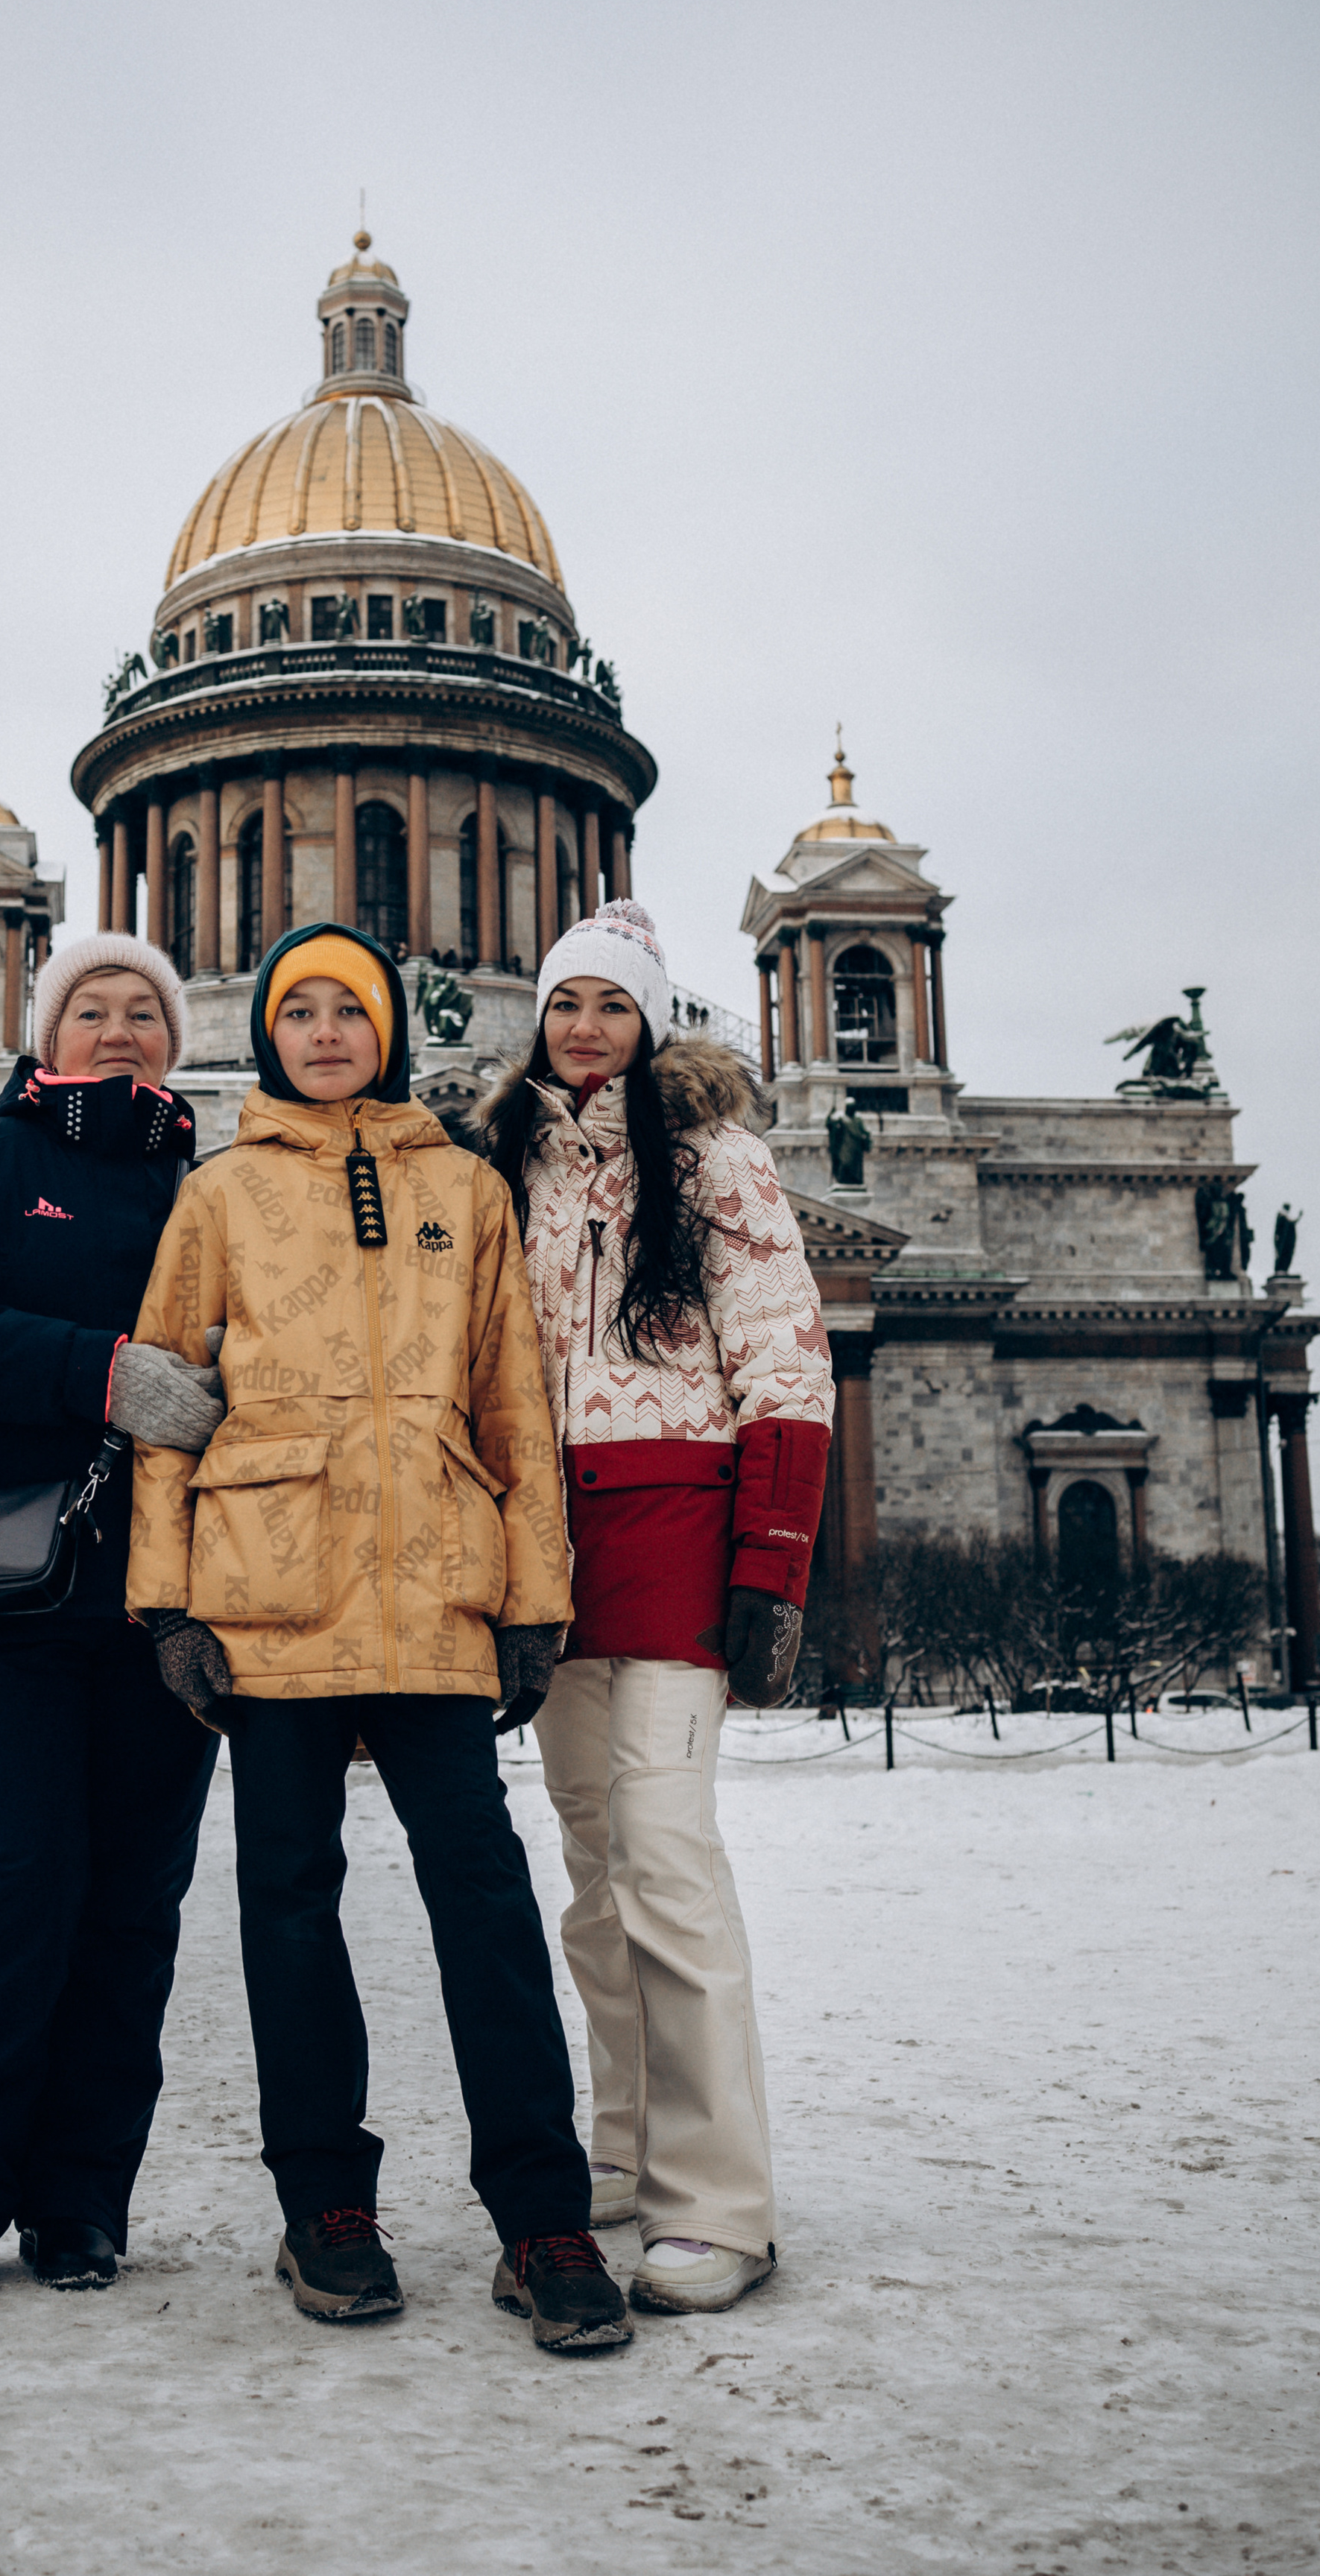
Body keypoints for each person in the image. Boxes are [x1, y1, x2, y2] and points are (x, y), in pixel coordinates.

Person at [126, 922, 632, 2355]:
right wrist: (167, 1603)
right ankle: (326, 2211)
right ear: (272, 1033)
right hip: (271, 1590)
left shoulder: (467, 1189)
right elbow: (163, 1395)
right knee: (288, 1911)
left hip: (435, 1592)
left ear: (391, 1027)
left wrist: (535, 1603)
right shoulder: (216, 1193)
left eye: (352, 1008)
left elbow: (512, 1405)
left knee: (485, 1907)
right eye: (302, 1011)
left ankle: (544, 2219)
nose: (328, 1032)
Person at [482, 899, 833, 2317]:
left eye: (612, 1006)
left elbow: (789, 1359)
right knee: (591, 1873)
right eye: (565, 1004)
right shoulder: (501, 1159)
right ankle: (619, 2150)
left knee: (669, 1863)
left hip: (677, 1534)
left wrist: (774, 1567)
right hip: (547, 1547)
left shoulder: (719, 1158)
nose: (584, 1030)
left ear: (653, 1021)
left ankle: (719, 2200)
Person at [0, 934, 228, 2301]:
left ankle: (82, 2201)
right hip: (9, 1582)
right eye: (95, 1006)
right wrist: (103, 1375)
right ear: (48, 1028)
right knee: (23, 1879)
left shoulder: (218, 1188)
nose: (122, 1027)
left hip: (171, 1597)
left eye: (147, 1010)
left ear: (176, 1039)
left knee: (136, 1903)